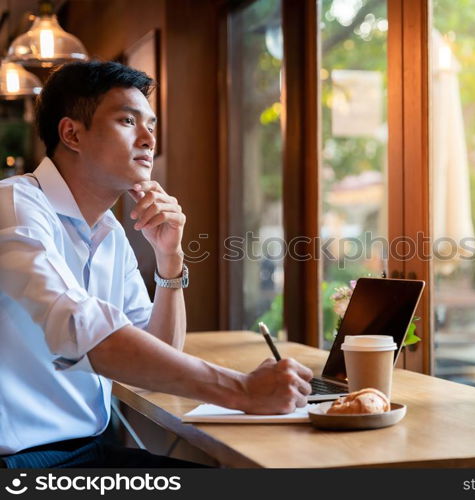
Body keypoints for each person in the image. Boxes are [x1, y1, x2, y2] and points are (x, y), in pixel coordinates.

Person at [0, 61, 312, 468]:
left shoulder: (109, 231)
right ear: (72, 133)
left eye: (151, 124)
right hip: (24, 464)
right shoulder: (15, 207)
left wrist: (170, 258)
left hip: (90, 453)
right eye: (128, 121)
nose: (148, 139)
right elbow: (85, 331)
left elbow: (158, 356)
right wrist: (243, 390)